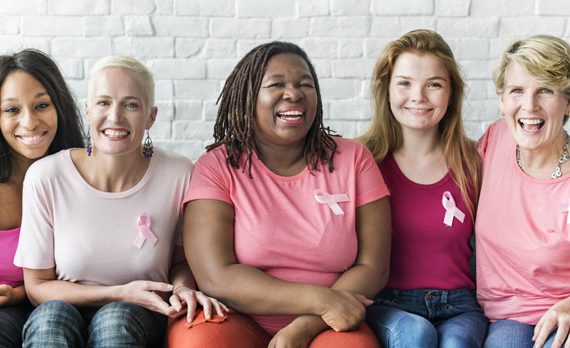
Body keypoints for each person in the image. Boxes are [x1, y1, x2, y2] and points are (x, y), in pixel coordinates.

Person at [167, 41, 391, 347]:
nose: (294, 94)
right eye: (276, 84)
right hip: (237, 317)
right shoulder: (216, 167)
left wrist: (307, 325)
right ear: (248, 98)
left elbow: (373, 267)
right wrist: (321, 300)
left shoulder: (354, 159)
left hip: (329, 324)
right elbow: (215, 276)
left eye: (305, 84)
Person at [14, 55, 227, 347]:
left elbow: (181, 261)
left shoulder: (179, 173)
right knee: (52, 317)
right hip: (60, 310)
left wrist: (182, 287)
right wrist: (119, 292)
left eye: (130, 104)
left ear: (151, 116)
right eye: (103, 102)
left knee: (115, 319)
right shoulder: (46, 176)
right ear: (87, 111)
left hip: (140, 316)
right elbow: (37, 286)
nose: (115, 117)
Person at [360, 29, 487, 347]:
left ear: (451, 93)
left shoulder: (476, 161)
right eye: (404, 83)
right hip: (389, 305)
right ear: (386, 90)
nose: (418, 96)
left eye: (434, 84)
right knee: (416, 335)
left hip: (460, 306)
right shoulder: (363, 161)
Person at [476, 35, 570, 348]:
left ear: (567, 101)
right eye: (517, 90)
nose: (529, 106)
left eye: (545, 90)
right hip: (506, 317)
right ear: (502, 99)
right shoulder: (496, 139)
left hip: (563, 313)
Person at [0, 49, 84, 347]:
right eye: (12, 110)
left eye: (41, 105)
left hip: (69, 308)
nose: (30, 122)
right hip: (6, 312)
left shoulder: (85, 174)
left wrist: (23, 293)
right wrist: (15, 296)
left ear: (59, 107)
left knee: (53, 319)